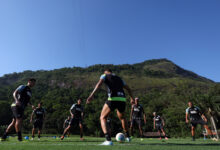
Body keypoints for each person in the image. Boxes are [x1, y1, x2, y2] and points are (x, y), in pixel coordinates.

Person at [86, 69, 134, 145]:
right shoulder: (119, 78)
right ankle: (128, 137)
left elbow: (99, 84)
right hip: (122, 99)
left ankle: (108, 140)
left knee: (102, 117)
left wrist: (91, 95)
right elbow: (128, 88)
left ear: (105, 72)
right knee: (122, 118)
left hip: (113, 98)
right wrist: (132, 98)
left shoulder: (104, 75)